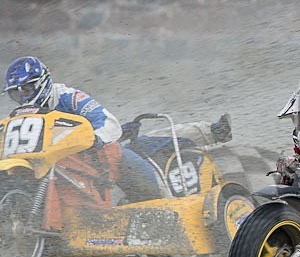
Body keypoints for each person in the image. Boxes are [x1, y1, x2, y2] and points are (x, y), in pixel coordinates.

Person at [3, 56, 231, 201]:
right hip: (67, 162)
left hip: (101, 150)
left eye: (26, 89)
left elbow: (108, 123)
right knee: (143, 142)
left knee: (139, 150)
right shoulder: (22, 118)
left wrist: (97, 140)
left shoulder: (69, 97)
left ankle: (172, 203)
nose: (22, 97)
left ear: (41, 83)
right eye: (16, 93)